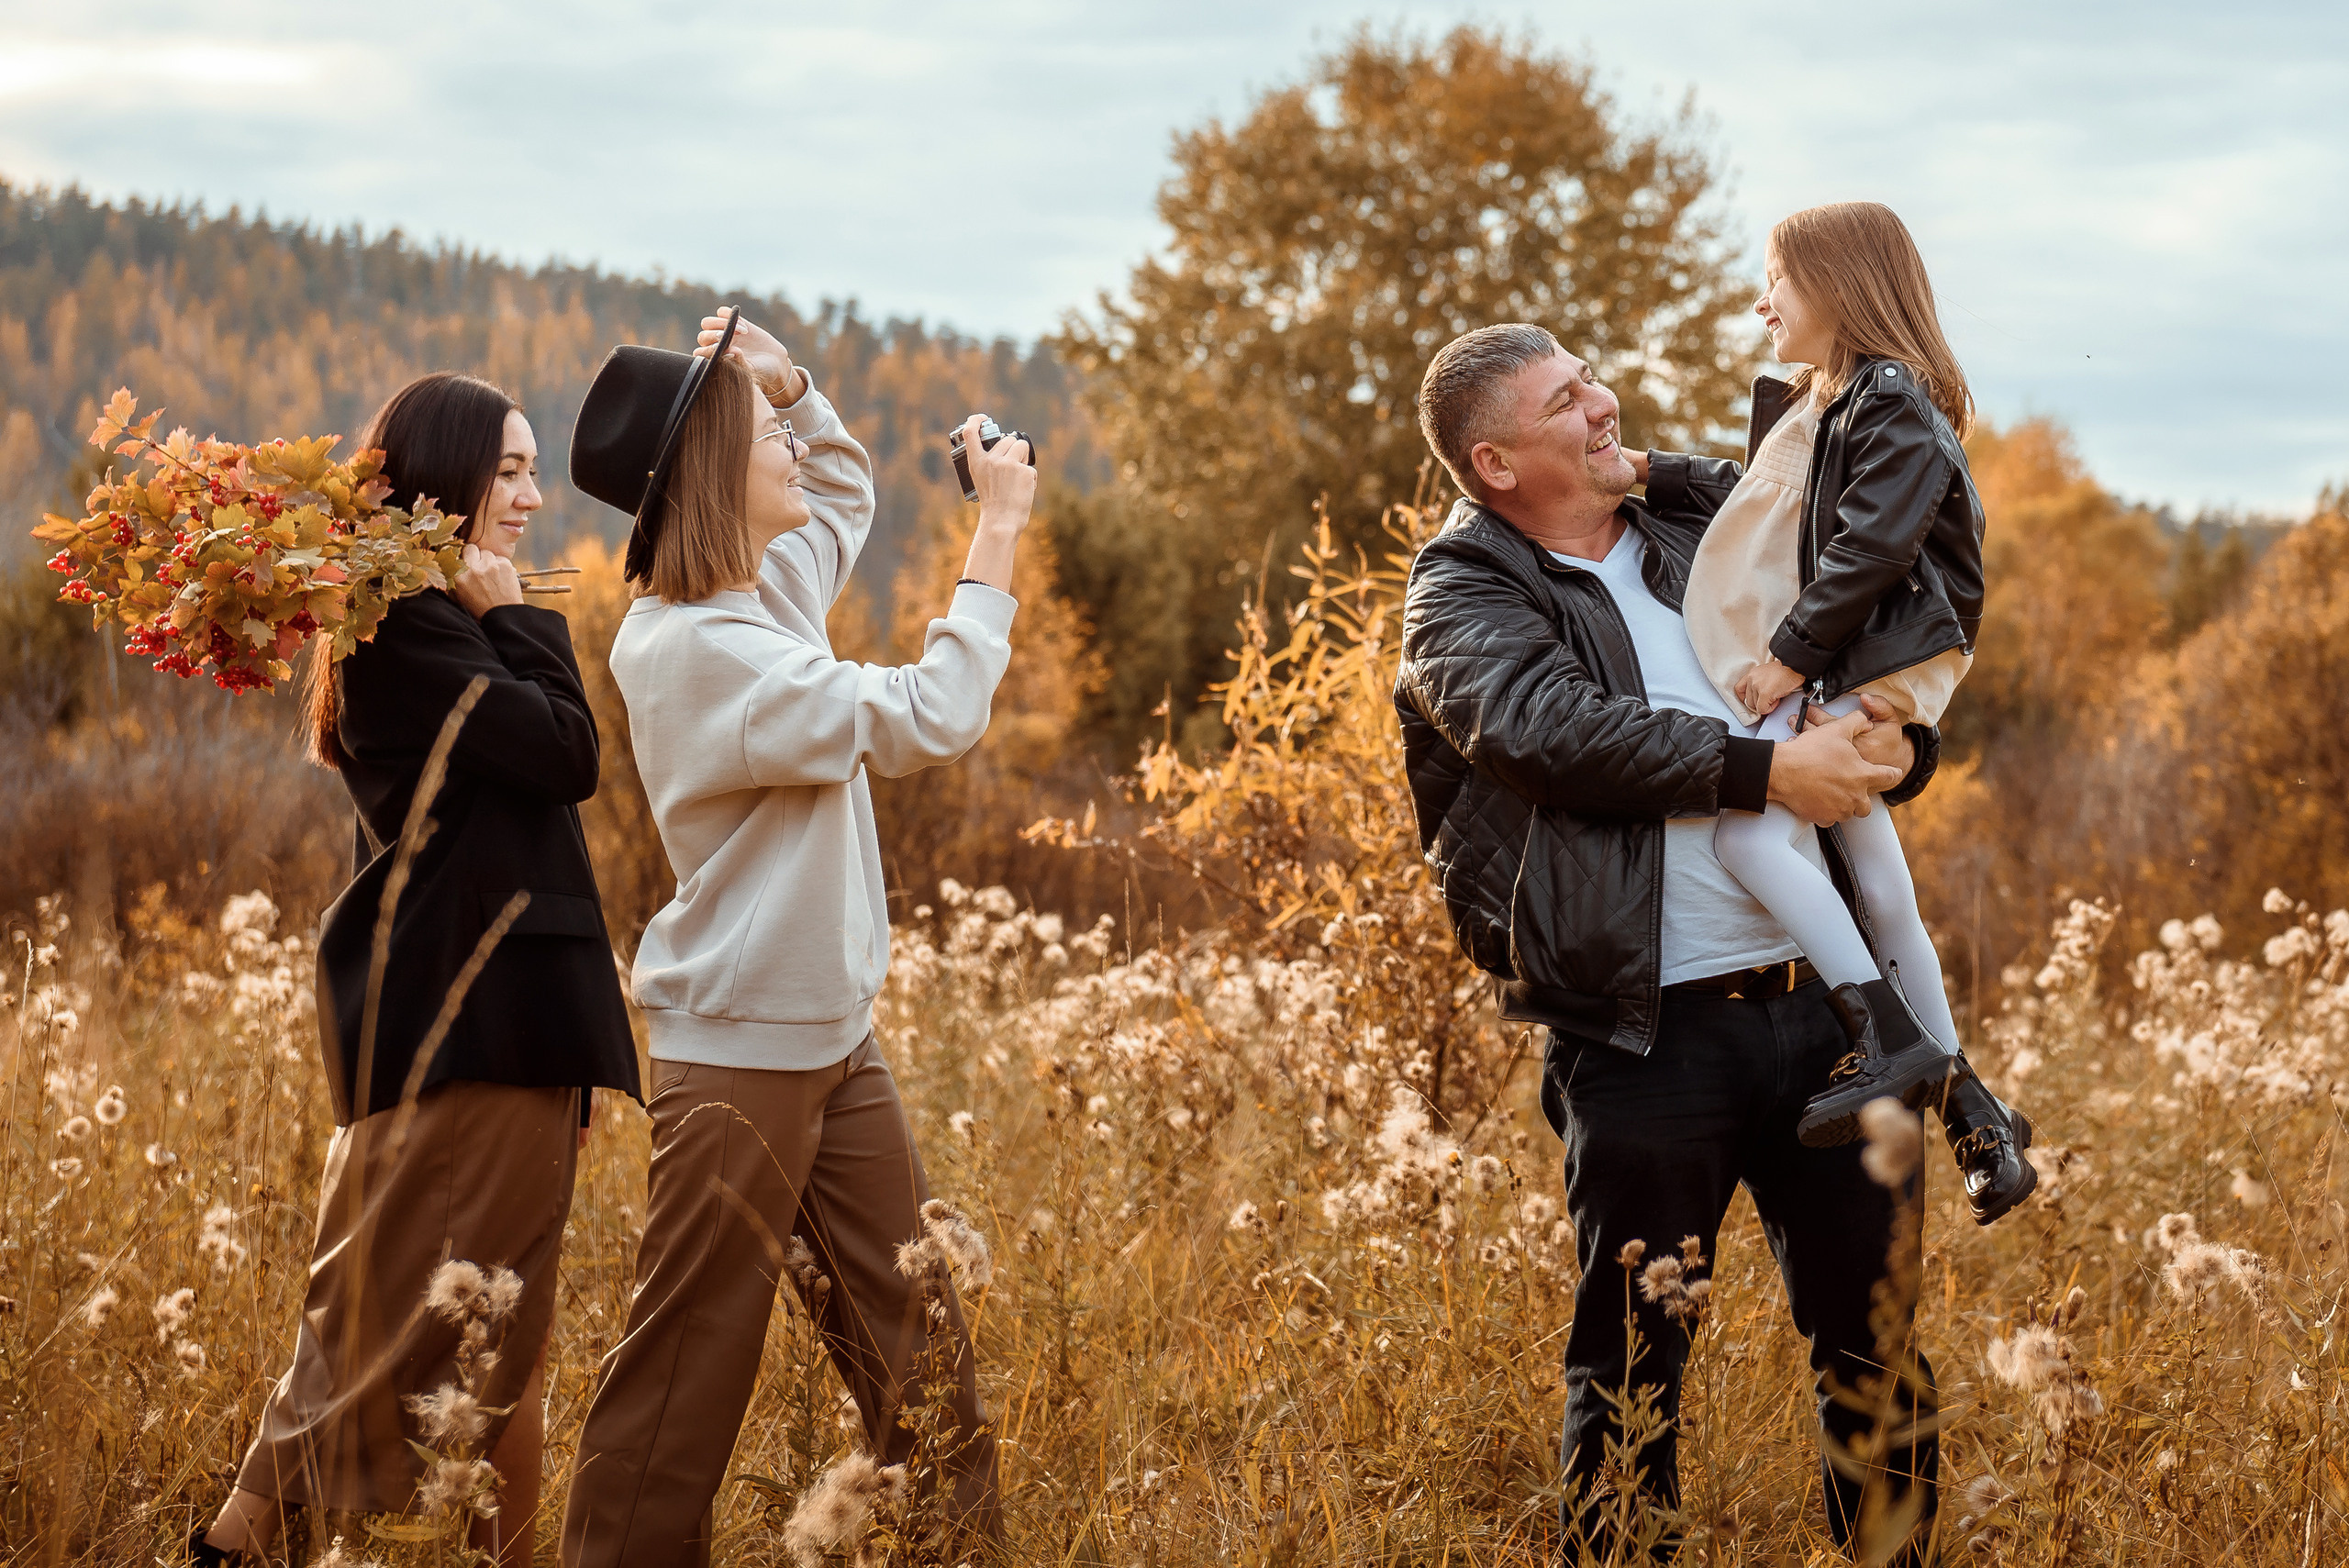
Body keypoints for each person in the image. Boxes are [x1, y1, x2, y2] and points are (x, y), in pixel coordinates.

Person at [1397, 323, 1943, 1561]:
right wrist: (1765, 773)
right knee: (1634, 1379)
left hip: (1832, 1017)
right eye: (1565, 400)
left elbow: (1856, 643)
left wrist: (1901, 746)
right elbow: (1547, 730)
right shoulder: (1463, 593)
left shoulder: (1700, 534)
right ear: (1495, 462)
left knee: (1880, 1357)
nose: (1603, 402)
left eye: (1592, 377)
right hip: (1643, 1038)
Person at [557, 309, 1023, 1566]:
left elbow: (842, 489)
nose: (787, 437)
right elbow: (933, 710)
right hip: (742, 1052)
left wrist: (792, 379)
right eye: (761, 425)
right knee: (687, 1366)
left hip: (828, 1035)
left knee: (918, 1344)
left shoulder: (754, 598)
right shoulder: (704, 650)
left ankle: (952, 1550)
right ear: (712, 470)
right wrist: (998, 529)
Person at [193, 374, 640, 1567]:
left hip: (489, 1033)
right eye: (510, 471)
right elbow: (566, 753)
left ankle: (255, 1540)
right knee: (423, 1353)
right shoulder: (416, 628)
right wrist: (519, 621)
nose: (535, 498)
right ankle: (245, 1543)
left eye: (536, 470)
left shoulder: (411, 621)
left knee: (427, 1338)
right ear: (440, 480)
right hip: (474, 1036)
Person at [1636, 200, 2034, 1221]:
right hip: (1874, 655)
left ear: (1840, 286)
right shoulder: (1836, 401)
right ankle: (1976, 1118)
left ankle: (1890, 1036)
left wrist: (1784, 658)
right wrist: (1649, 471)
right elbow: (1755, 494)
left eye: (1777, 278)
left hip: (1876, 650)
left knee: (1747, 841)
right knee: (1874, 880)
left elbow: (1870, 548)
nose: (1759, 300)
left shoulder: (1889, 402)